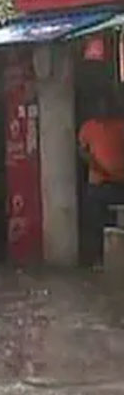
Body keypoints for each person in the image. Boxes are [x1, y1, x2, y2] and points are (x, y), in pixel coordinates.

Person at [78, 96, 124, 267]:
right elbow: (82, 150)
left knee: (117, 225)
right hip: (98, 184)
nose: (103, 108)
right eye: (100, 105)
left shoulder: (120, 126)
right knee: (96, 224)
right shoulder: (89, 127)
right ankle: (98, 260)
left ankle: (116, 261)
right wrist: (94, 164)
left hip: (119, 183)